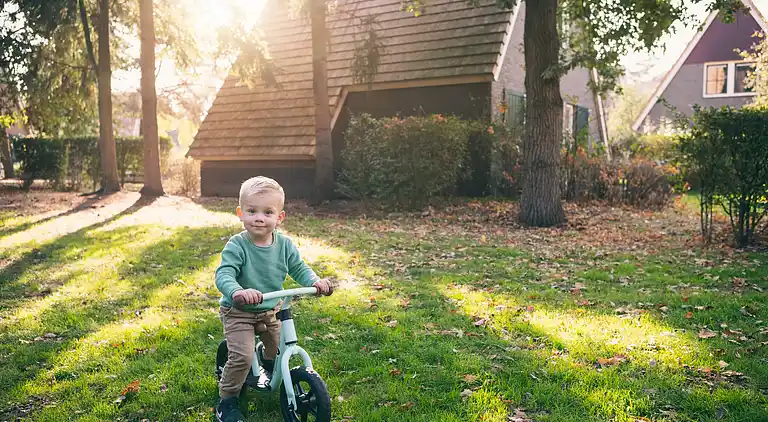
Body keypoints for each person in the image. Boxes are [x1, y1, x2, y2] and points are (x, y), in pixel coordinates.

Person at [214, 176, 333, 422]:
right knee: (243, 357)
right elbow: (224, 274)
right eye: (252, 211)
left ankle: (269, 368)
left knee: (277, 349)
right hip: (239, 311)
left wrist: (315, 281)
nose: (259, 217)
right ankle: (227, 400)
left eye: (267, 212)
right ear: (240, 213)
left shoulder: (285, 245)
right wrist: (237, 291)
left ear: (279, 217)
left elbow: (299, 268)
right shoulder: (237, 245)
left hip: (270, 309)